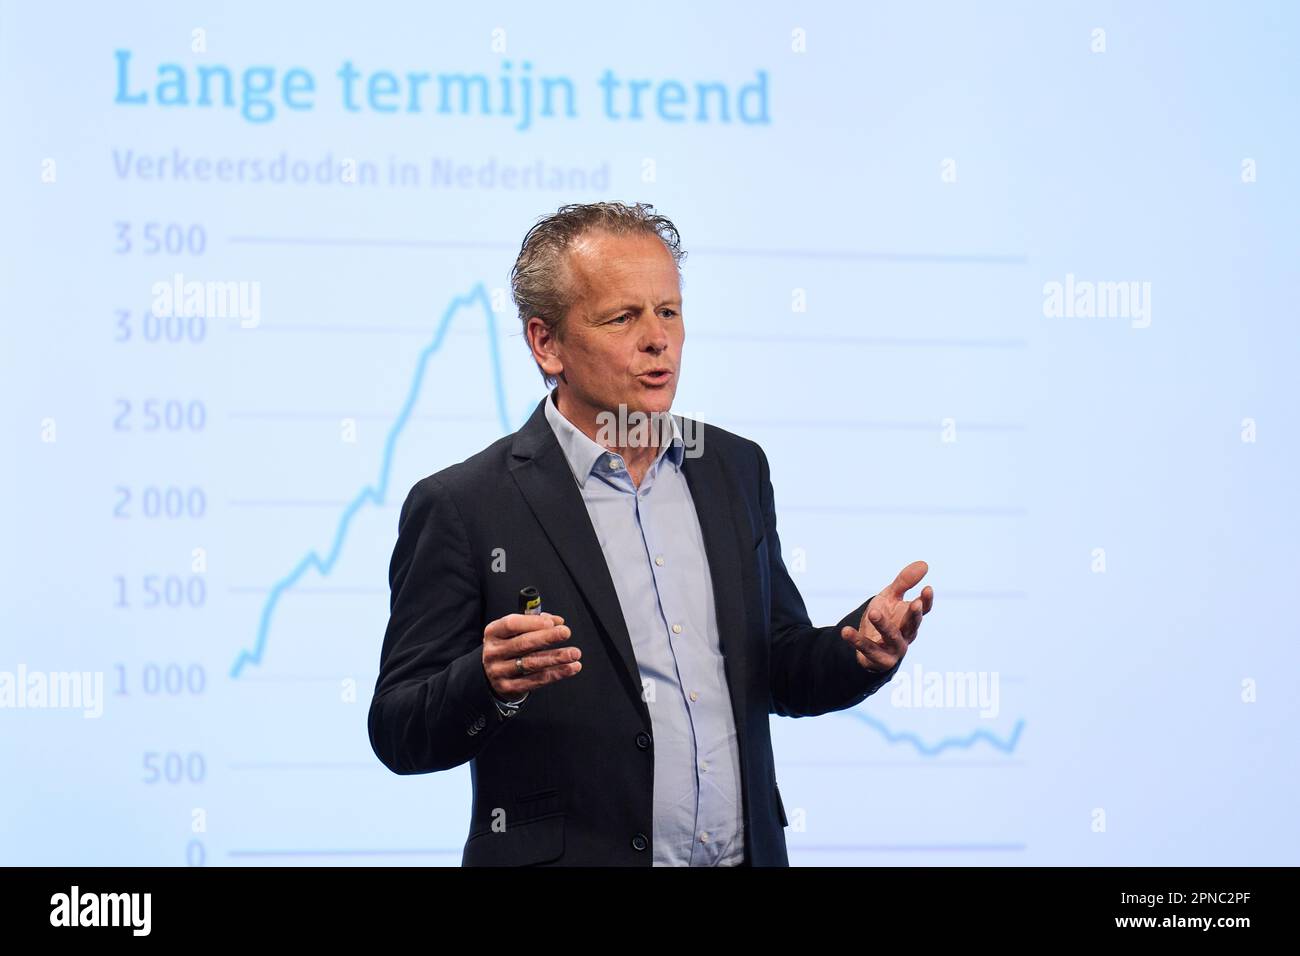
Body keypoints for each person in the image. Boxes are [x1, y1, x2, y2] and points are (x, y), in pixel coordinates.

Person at [367, 201, 934, 866]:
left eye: (668, 311)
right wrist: (486, 681)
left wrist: (856, 652)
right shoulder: (464, 505)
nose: (657, 338)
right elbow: (398, 730)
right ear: (546, 343)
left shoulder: (734, 468)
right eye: (623, 317)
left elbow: (773, 666)